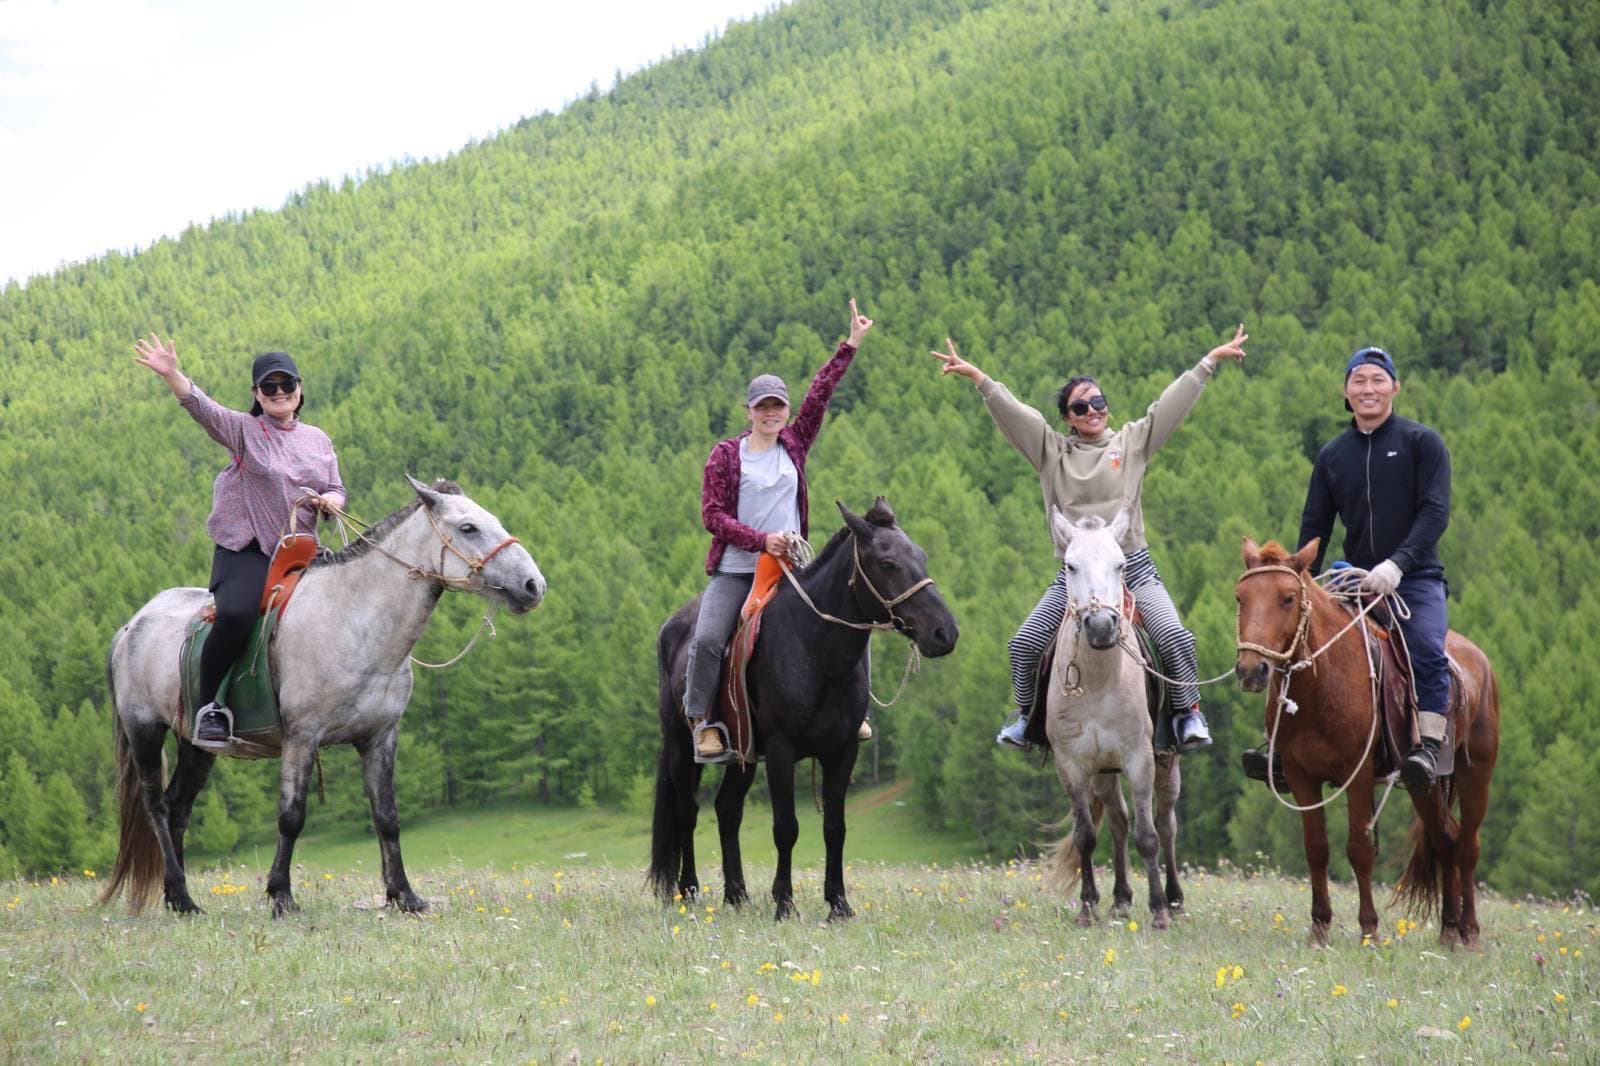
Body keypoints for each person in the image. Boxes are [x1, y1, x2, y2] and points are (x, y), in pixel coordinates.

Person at [932, 325, 1249, 753]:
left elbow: (1168, 408)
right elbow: (1017, 416)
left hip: (1131, 568)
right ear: (1067, 418)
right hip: (1076, 575)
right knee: (1024, 644)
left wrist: (1208, 363)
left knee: (1174, 635)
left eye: (1098, 402)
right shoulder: (1051, 452)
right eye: (1080, 407)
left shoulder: (1131, 443)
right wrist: (979, 379)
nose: (1092, 411)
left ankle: (1187, 712)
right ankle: (1027, 719)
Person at [133, 333, 345, 749]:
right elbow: (202, 407)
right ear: (257, 394)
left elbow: (335, 487)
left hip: (301, 551)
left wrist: (333, 501)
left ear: (299, 389)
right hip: (248, 549)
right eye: (270, 386)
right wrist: (173, 375)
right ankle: (208, 705)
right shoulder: (245, 430)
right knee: (235, 615)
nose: (279, 392)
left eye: (286, 384)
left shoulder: (318, 439)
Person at [684, 300, 874, 762]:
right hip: (738, 570)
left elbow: (820, 393)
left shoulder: (794, 442)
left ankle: (854, 710)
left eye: (778, 405)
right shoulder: (726, 455)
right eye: (762, 406)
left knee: (853, 618)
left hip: (792, 569)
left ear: (786, 411)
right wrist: (761, 539)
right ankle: (702, 721)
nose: (771, 413)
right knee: (707, 639)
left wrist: (850, 345)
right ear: (749, 411)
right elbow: (713, 516)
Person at [1296, 345, 1452, 790]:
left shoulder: (1422, 443)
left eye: (1378, 379)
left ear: (1395, 388)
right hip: (1353, 580)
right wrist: (1300, 580)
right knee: (1295, 642)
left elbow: (1435, 513)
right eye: (1359, 380)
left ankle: (1429, 745)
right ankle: (1282, 744)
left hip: (1414, 578)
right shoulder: (1332, 456)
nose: (1368, 388)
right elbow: (1315, 526)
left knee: (1426, 646)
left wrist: (1398, 565)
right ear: (1346, 392)